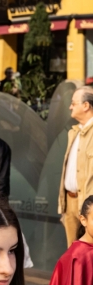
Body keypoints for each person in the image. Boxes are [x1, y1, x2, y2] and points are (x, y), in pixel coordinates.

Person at [59, 86, 93, 247]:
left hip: (89, 204)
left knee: (89, 256)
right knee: (73, 254)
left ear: (86, 106)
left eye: (74, 103)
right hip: (70, 201)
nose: (70, 107)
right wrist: (64, 208)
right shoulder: (74, 132)